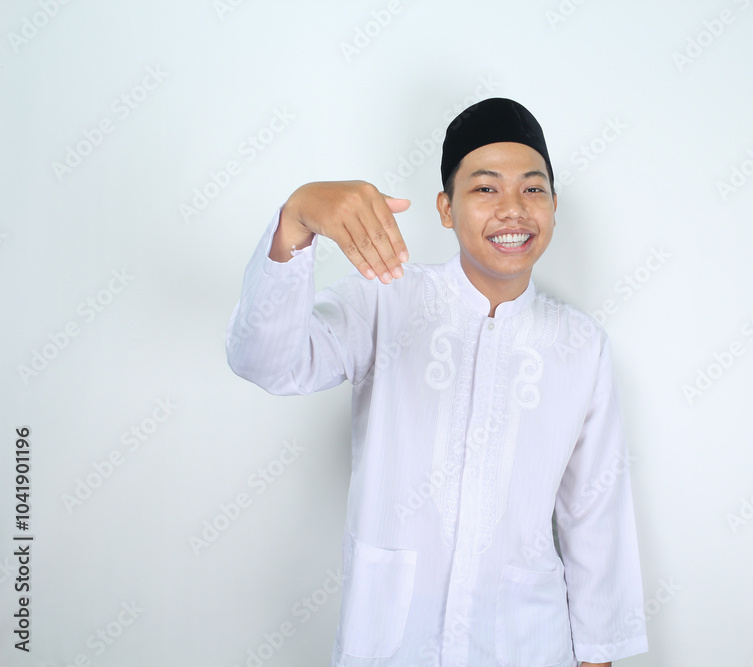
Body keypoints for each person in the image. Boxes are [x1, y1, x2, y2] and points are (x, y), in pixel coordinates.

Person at [226, 98, 648, 667]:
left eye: (533, 188)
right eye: (486, 188)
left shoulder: (580, 344)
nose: (513, 209)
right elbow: (264, 360)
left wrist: (599, 655)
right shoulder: (386, 298)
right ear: (446, 209)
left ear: (553, 206)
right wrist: (296, 221)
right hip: (395, 641)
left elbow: (595, 512)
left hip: (526, 642)